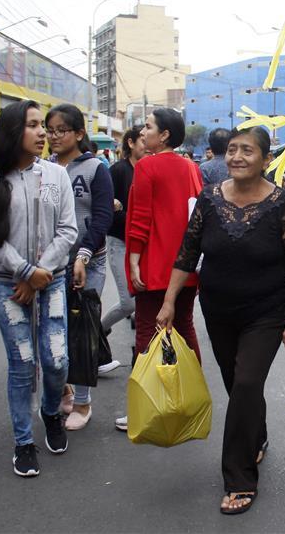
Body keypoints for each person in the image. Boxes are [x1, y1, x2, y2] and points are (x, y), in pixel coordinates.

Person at [156, 127, 285, 515]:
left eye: (248, 151)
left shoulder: (282, 204)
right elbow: (187, 253)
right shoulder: (209, 199)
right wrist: (170, 301)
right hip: (218, 309)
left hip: (266, 311)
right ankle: (255, 437)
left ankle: (239, 478)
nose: (237, 157)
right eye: (233, 150)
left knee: (246, 382)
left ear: (265, 159)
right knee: (235, 383)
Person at [0, 100, 78, 477]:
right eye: (33, 125)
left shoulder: (56, 175)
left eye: (42, 125)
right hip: (4, 282)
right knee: (22, 363)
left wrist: (40, 272)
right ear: (14, 131)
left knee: (56, 360)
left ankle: (50, 413)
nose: (43, 132)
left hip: (51, 280)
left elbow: (68, 231)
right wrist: (24, 271)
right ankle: (23, 442)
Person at [121, 108, 202, 430]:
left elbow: (140, 219)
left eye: (149, 126)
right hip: (186, 266)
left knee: (147, 333)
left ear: (164, 134)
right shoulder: (190, 167)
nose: (144, 132)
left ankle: (147, 405)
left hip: (155, 266)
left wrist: (133, 259)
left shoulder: (147, 166)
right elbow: (196, 215)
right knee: (184, 327)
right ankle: (189, 398)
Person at [46, 103, 114, 431]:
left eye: (62, 130)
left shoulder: (95, 169)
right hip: (52, 264)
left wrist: (83, 255)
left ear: (78, 134)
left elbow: (102, 216)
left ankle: (84, 402)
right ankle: (65, 390)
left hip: (89, 262)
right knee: (54, 332)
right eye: (50, 130)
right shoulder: (41, 168)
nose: (55, 136)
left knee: (82, 332)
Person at [101, 127, 145, 376]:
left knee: (140, 300)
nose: (146, 144)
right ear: (130, 142)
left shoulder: (148, 167)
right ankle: (98, 330)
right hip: (119, 242)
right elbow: (108, 207)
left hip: (143, 244)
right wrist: (121, 212)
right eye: (141, 139)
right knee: (128, 303)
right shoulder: (117, 171)